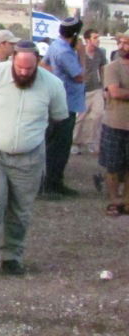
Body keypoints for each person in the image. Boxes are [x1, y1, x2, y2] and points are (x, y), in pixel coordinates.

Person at [0, 41, 68, 277]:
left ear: (37, 62)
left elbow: (58, 116)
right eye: (20, 67)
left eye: (29, 68)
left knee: (21, 209)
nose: (24, 72)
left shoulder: (53, 85)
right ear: (12, 59)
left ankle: (13, 256)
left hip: (30, 156)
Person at [40, 16, 86, 199]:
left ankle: (50, 181)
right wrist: (82, 54)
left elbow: (44, 65)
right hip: (66, 103)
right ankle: (52, 184)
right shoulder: (66, 52)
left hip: (59, 101)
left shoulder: (55, 46)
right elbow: (79, 76)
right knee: (60, 146)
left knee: (53, 144)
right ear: (75, 34)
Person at [100, 31, 129, 216]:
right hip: (115, 124)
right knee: (112, 166)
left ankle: (126, 200)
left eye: (126, 43)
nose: (122, 46)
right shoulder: (112, 67)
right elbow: (115, 92)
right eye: (121, 42)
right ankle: (114, 199)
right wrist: (118, 92)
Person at [71, 28, 106, 156]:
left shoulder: (100, 53)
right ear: (87, 40)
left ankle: (91, 141)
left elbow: (102, 69)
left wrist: (104, 86)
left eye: (98, 37)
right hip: (81, 89)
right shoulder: (79, 54)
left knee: (98, 114)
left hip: (96, 88)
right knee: (80, 117)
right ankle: (75, 142)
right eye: (95, 37)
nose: (98, 40)